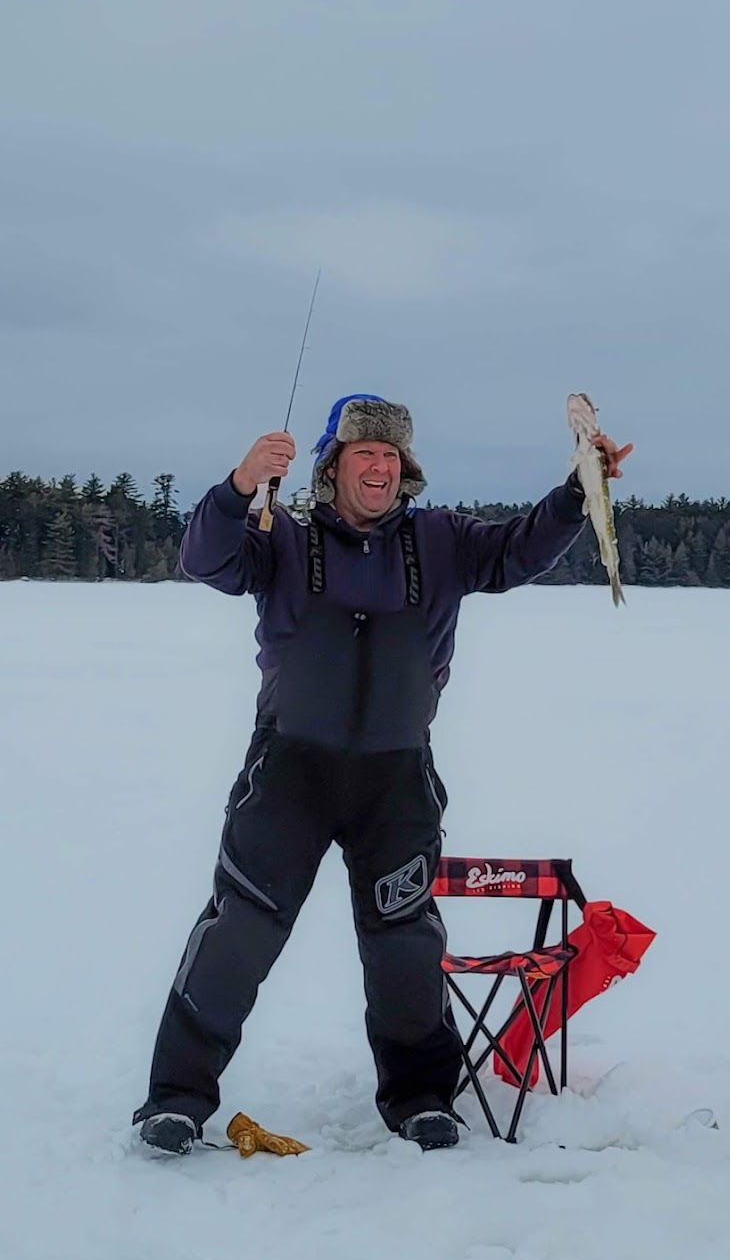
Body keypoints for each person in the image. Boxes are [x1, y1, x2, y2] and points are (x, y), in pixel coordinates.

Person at [133, 393, 632, 1154]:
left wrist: (576, 491)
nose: (379, 467)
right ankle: (175, 1098)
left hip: (396, 778)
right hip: (289, 773)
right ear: (332, 466)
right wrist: (239, 486)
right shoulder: (282, 537)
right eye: (364, 452)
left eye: (391, 455)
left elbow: (520, 550)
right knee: (238, 932)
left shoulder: (443, 540)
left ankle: (422, 1097)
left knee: (404, 943)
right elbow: (205, 559)